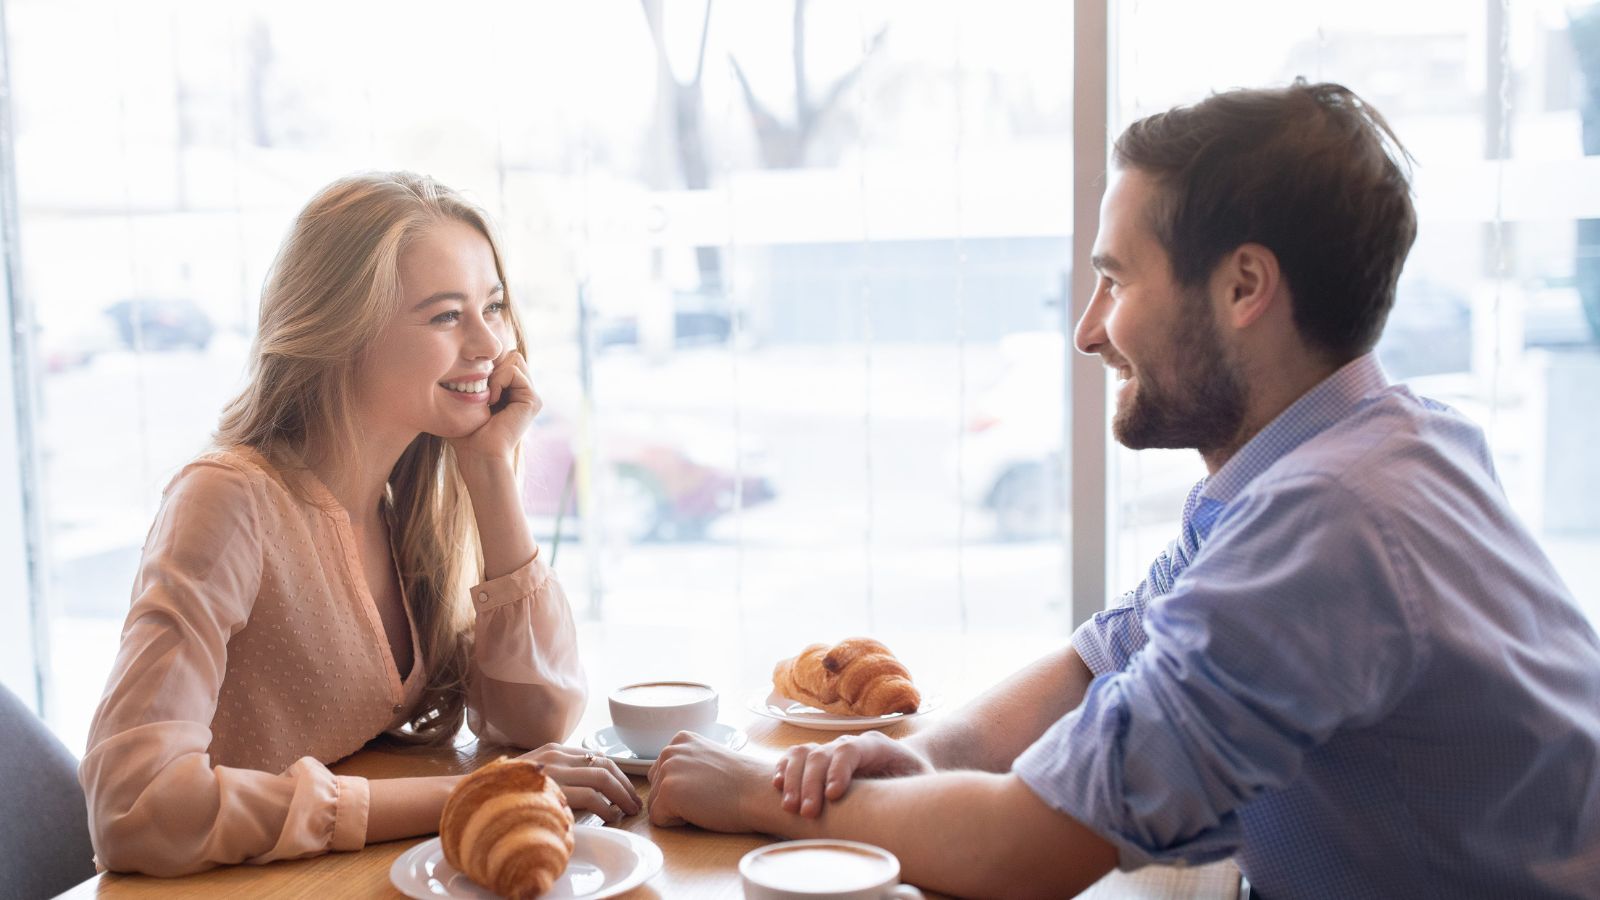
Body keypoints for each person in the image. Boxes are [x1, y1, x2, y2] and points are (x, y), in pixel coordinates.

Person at [646, 81, 1600, 898]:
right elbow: (1106, 660)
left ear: (1243, 288)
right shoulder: (1362, 450)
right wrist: (931, 752)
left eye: (1115, 279)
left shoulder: (1331, 519)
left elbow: (1032, 844)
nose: (1088, 331)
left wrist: (754, 794)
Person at [80, 172, 640, 876]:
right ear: (341, 332)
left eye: (493, 306)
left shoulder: (404, 501)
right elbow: (133, 808)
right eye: (445, 316)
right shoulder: (229, 501)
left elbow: (534, 723)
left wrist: (493, 474)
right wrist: (456, 797)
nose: (490, 345)